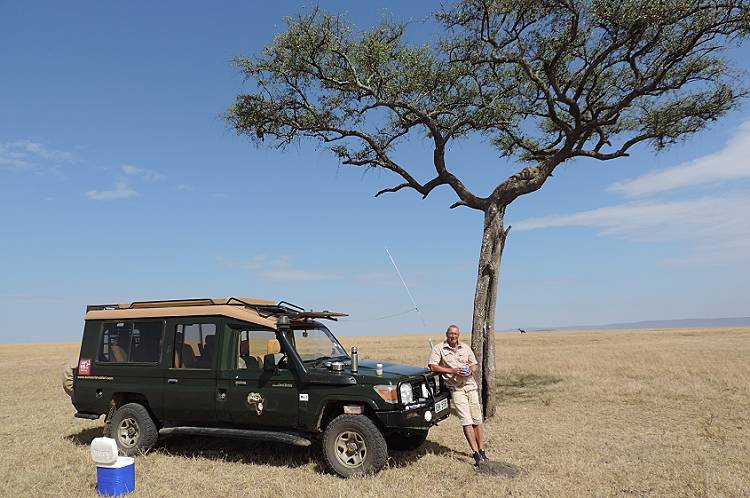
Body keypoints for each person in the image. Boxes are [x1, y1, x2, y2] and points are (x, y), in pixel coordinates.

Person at [428, 324, 489, 466]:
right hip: (456, 388)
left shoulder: (465, 348)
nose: (453, 336)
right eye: (450, 333)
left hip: (470, 386)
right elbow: (432, 366)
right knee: (466, 420)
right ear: (446, 334)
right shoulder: (439, 348)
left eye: (455, 334)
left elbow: (474, 364)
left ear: (458, 335)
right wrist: (452, 371)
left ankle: (482, 450)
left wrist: (470, 370)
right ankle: (475, 454)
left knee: (477, 420)